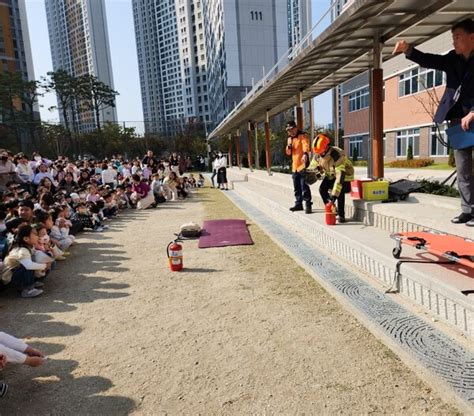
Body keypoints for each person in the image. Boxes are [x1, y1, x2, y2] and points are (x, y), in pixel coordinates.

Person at [393, 18, 474, 227]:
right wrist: (407, 49)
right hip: (458, 123)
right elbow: (429, 60)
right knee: (463, 169)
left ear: (472, 37)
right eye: (453, 38)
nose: (454, 42)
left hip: (472, 117)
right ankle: (468, 211)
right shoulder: (452, 59)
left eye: (458, 37)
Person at [309, 134, 354, 223]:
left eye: (321, 152)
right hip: (331, 174)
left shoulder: (337, 155)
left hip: (345, 176)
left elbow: (340, 178)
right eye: (317, 153)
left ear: (326, 148)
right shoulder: (318, 154)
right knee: (322, 189)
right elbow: (312, 166)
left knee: (339, 192)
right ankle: (331, 208)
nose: (319, 155)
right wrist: (308, 172)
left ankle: (341, 215)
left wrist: (334, 196)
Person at [285, 120, 312, 213]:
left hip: (302, 166)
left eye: (291, 129)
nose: (290, 132)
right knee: (297, 188)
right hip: (294, 167)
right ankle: (298, 204)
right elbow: (288, 153)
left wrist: (305, 153)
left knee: (304, 186)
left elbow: (306, 145)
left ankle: (308, 204)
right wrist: (289, 145)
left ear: (296, 128)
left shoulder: (302, 136)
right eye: (288, 130)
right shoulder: (290, 139)